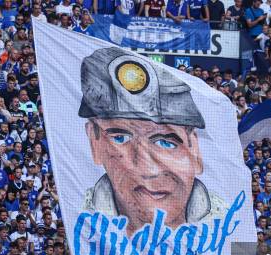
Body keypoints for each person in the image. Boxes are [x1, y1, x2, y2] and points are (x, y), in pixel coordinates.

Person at [78, 47, 226, 235]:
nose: (148, 169)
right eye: (120, 138)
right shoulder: (77, 219)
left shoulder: (229, 224)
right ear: (94, 142)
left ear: (194, 149)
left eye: (166, 143)